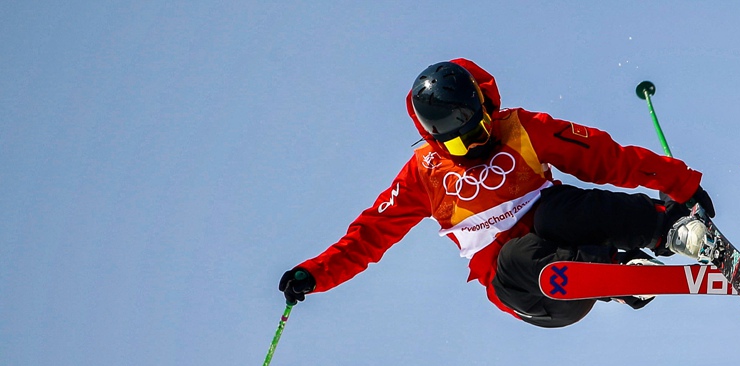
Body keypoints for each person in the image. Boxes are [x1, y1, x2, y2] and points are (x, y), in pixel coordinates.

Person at [280, 58, 716, 328]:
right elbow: (371, 233)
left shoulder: (520, 129)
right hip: (531, 291)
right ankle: (616, 277)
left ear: (487, 110)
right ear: (434, 141)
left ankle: (670, 233)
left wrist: (680, 185)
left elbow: (603, 155)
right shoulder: (424, 175)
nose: (472, 147)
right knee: (514, 256)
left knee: (556, 209)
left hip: (568, 234)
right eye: (455, 144)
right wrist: (316, 273)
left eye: (480, 130)